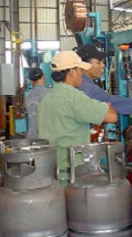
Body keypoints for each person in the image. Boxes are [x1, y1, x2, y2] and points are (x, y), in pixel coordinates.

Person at [37, 51, 117, 183]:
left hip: (51, 172)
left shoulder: (46, 99)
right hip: (72, 176)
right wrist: (104, 102)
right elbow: (112, 116)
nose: (82, 74)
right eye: (80, 70)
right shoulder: (75, 98)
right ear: (72, 71)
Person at [25, 67, 49, 139]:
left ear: (31, 81)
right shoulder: (49, 93)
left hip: (32, 136)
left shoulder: (28, 96)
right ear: (43, 76)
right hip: (47, 136)